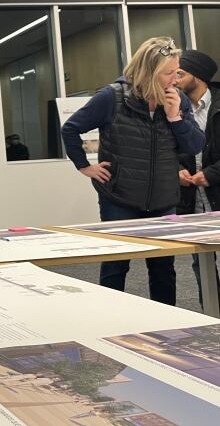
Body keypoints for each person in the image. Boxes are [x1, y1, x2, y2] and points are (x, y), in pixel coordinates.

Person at [61, 37, 204, 305]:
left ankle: (166, 323)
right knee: (116, 266)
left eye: (177, 72)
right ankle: (111, 320)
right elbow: (70, 128)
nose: (175, 79)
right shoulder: (111, 97)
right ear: (148, 71)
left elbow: (194, 144)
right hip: (120, 197)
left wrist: (176, 118)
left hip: (163, 199)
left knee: (163, 268)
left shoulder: (178, 100)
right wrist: (84, 166)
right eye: (168, 73)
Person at [175, 49, 220, 310]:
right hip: (192, 199)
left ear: (199, 77)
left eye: (180, 73)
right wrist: (176, 170)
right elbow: (166, 149)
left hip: (217, 190)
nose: (174, 79)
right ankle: (212, 315)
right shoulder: (172, 107)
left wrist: (212, 174)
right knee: (200, 260)